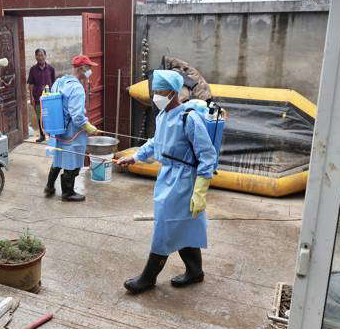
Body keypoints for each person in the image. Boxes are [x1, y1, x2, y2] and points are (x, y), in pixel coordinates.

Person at [117, 70, 217, 294]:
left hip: (183, 181)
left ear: (173, 93)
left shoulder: (189, 118)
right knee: (183, 225)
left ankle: (148, 278)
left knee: (165, 226)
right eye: (155, 92)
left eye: (160, 92)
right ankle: (195, 272)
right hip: (167, 176)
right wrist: (135, 157)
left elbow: (207, 155)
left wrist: (200, 191)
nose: (156, 97)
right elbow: (155, 143)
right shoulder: (162, 116)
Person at [44, 54, 99, 202]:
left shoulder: (60, 81)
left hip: (58, 129)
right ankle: (68, 193)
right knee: (72, 161)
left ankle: (49, 187)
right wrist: (89, 127)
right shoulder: (77, 88)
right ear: (82, 68)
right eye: (89, 68)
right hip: (72, 133)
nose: (90, 72)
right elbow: (77, 116)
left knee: (58, 157)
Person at [28, 48, 56, 142]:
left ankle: (52, 136)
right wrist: (31, 97)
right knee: (40, 117)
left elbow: (54, 83)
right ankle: (42, 135)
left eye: (42, 55)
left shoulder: (51, 69)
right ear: (36, 57)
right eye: (38, 55)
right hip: (37, 98)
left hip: (49, 98)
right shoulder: (33, 70)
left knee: (50, 116)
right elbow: (31, 84)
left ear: (45, 56)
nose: (40, 57)